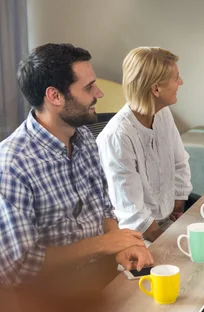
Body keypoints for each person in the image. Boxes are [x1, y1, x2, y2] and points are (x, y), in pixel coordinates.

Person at [0, 43, 153, 287]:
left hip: (100, 278)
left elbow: (103, 208)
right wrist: (103, 245)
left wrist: (118, 242)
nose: (99, 94)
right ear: (54, 96)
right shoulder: (13, 165)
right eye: (89, 87)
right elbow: (19, 265)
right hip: (52, 295)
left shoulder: (84, 138)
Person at [96, 47, 192, 244]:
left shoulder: (162, 112)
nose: (181, 82)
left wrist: (177, 208)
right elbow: (132, 214)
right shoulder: (118, 136)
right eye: (176, 78)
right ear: (156, 89)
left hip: (166, 225)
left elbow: (179, 162)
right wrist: (168, 243)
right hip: (137, 237)